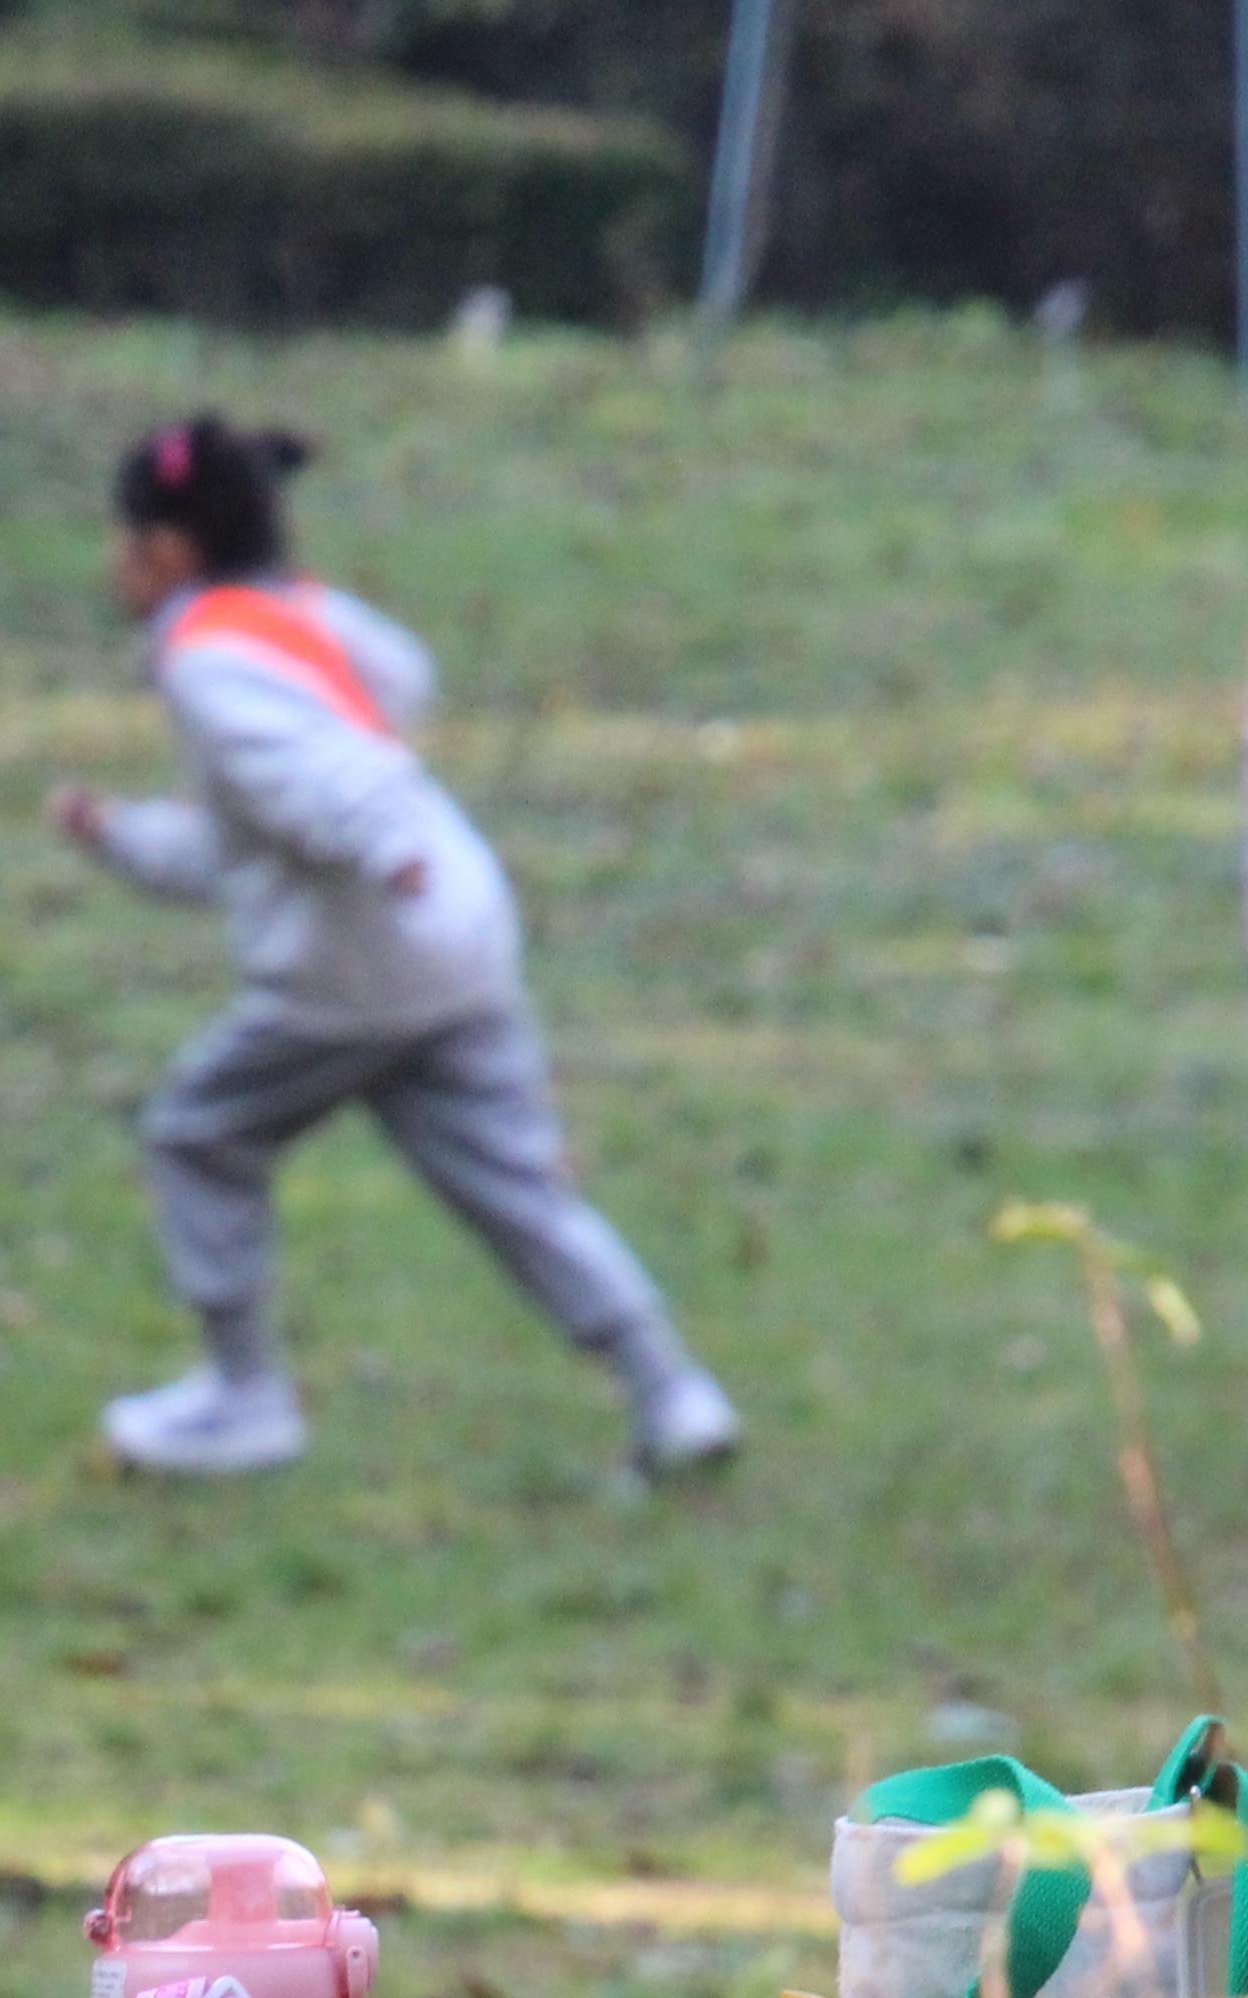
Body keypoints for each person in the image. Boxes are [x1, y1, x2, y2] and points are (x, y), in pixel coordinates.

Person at [49, 415, 736, 1484]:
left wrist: (382, 848)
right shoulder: (298, 615)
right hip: (458, 934)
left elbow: (318, 782)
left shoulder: (208, 661)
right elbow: (269, 824)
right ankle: (672, 1394)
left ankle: (244, 1397)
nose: (113, 565)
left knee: (198, 1135)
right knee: (516, 1187)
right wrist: (122, 835)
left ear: (169, 551)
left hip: (354, 970)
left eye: (124, 541)